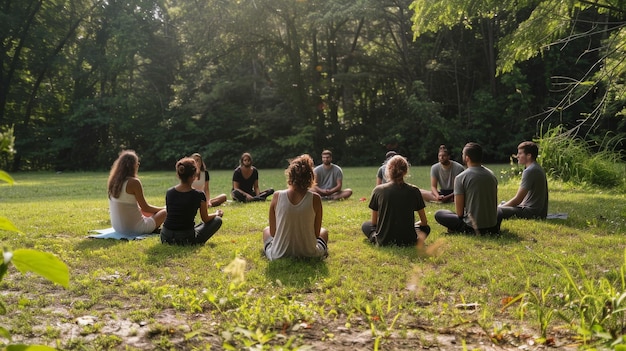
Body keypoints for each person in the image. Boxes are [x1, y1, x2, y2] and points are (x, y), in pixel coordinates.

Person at [262, 154, 329, 260]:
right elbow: (316, 234)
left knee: (266, 230)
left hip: (279, 254)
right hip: (309, 254)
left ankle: (271, 249)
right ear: (310, 176)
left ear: (290, 175)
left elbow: (273, 233)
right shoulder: (315, 198)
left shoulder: (277, 196)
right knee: (323, 232)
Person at [361, 155, 430, 247]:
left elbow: (374, 223)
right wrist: (411, 225)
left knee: (366, 225)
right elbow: (424, 222)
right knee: (426, 228)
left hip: (384, 240)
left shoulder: (378, 190)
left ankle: (376, 239)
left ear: (388, 170)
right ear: (405, 171)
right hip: (409, 240)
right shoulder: (414, 191)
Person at [434, 142, 499, 234]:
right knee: (500, 210)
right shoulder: (491, 175)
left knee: (439, 214)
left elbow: (459, 213)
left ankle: (459, 230)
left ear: (467, 158)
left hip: (472, 227)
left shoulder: (461, 178)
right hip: (493, 226)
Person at [161, 157, 224, 245]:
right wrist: (217, 214)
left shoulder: (169, 192)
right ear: (194, 176)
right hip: (185, 238)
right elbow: (205, 219)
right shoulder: (199, 195)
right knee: (217, 220)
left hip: (165, 236)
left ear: (178, 174)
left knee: (198, 225)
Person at [107, 150, 167, 235]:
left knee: (145, 211)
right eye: (137, 163)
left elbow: (141, 209)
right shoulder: (134, 182)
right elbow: (145, 207)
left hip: (118, 228)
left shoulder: (113, 181)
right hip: (134, 229)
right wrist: (164, 209)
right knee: (167, 212)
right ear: (133, 165)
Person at [498, 141, 549, 220]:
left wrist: (500, 208)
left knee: (498, 210)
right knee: (502, 204)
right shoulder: (536, 167)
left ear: (528, 156)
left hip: (530, 212)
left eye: (520, 153)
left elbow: (518, 199)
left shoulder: (530, 171)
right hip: (539, 212)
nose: (517, 156)